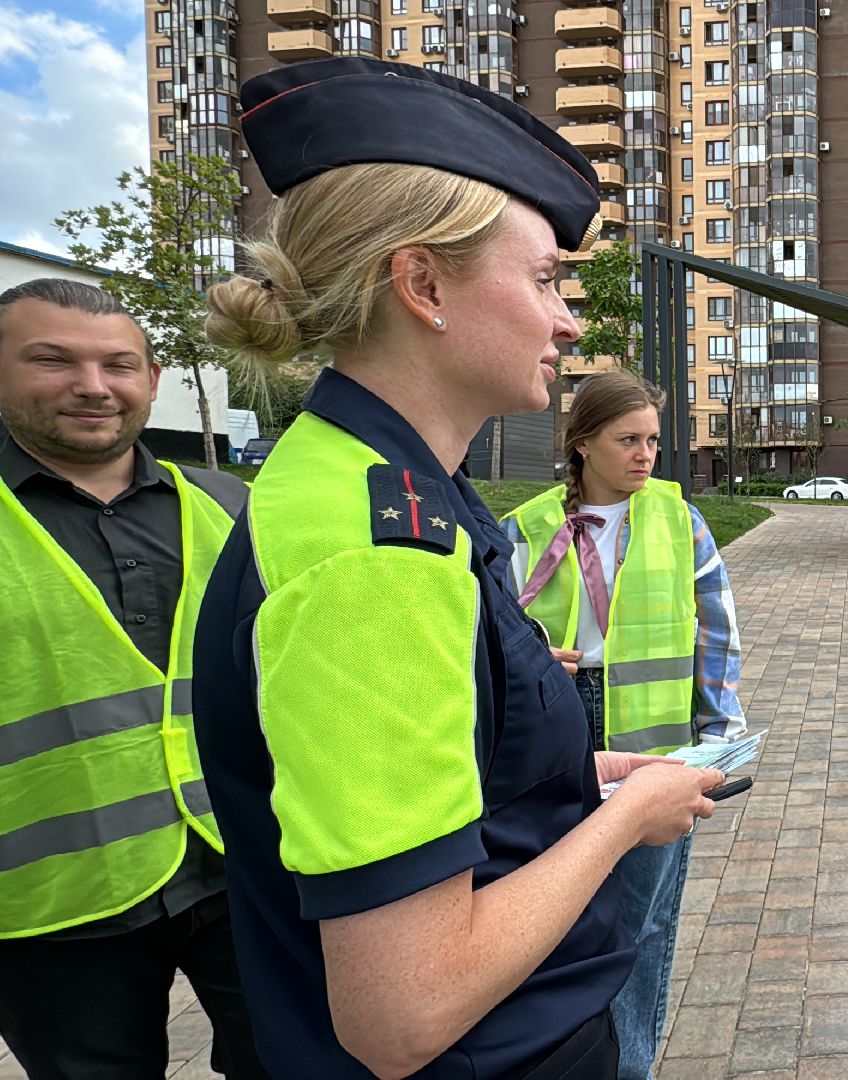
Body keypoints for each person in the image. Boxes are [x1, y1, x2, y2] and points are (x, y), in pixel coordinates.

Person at [191, 58, 724, 1080]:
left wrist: (575, 778)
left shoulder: (381, 481)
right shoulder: (374, 554)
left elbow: (430, 784)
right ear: (424, 284)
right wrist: (624, 823)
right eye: (545, 280)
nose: (568, 320)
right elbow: (405, 1010)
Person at [0, 278, 265, 1080]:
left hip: (242, 867)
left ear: (152, 379)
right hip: (55, 907)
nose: (93, 386)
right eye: (53, 360)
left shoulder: (227, 504)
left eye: (118, 364)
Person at [501, 370, 747, 1080]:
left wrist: (720, 730)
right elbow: (492, 633)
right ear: (582, 444)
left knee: (644, 917)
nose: (646, 456)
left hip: (657, 737)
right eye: (628, 440)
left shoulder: (679, 520)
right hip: (559, 729)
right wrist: (530, 659)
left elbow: (717, 629)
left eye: (653, 441)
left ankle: (629, 1066)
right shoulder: (525, 527)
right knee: (552, 907)